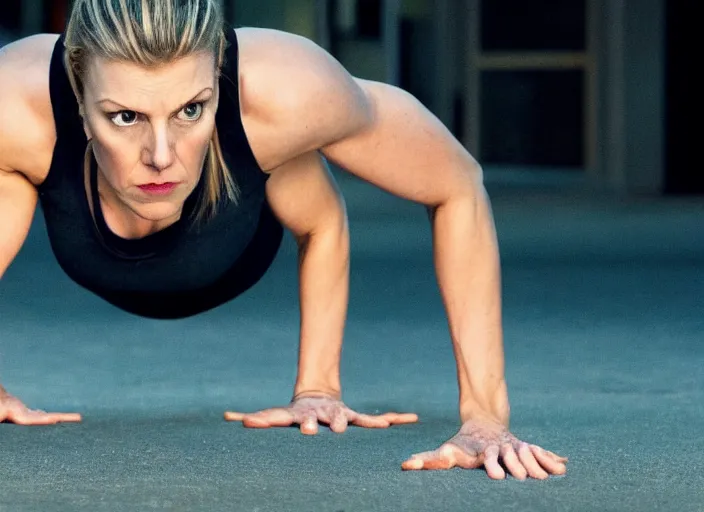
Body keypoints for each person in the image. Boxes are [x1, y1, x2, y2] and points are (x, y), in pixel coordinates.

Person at [0, 0, 567, 480]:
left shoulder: (290, 88)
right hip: (75, 211)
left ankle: (318, 382)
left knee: (288, 153)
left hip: (242, 231)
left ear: (218, 73)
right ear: (76, 91)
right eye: (125, 117)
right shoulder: (16, 100)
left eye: (190, 110)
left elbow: (457, 184)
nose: (161, 156)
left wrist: (486, 418)